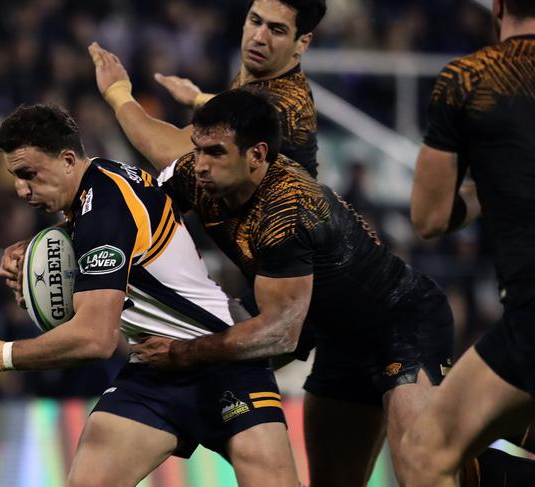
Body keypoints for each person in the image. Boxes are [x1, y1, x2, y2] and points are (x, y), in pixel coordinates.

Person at [0, 104, 300, 487]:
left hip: (223, 361)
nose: (20, 189)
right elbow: (110, 232)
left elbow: (95, 338)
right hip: (155, 368)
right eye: (15, 177)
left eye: (28, 174)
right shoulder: (102, 182)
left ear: (67, 159)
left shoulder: (104, 208)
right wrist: (40, 250)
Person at [127, 88, 455, 487]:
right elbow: (130, 221)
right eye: (197, 150)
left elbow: (280, 333)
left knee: (422, 472)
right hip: (336, 341)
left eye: (215, 152)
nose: (199, 166)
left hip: (403, 325)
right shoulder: (199, 178)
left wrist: (184, 352)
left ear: (257, 155)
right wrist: (59, 245)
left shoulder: (287, 210)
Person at [401, 0, 535, 485]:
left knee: (425, 452)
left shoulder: (469, 79)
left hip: (529, 321)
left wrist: (484, 192)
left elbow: (429, 217)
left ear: (497, 7)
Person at [87, 0, 324, 177]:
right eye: (255, 21)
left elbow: (168, 153)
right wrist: (199, 98)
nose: (259, 37)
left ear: (302, 43)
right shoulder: (265, 76)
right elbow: (242, 114)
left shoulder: (280, 100)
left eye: (277, 30)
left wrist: (117, 91)